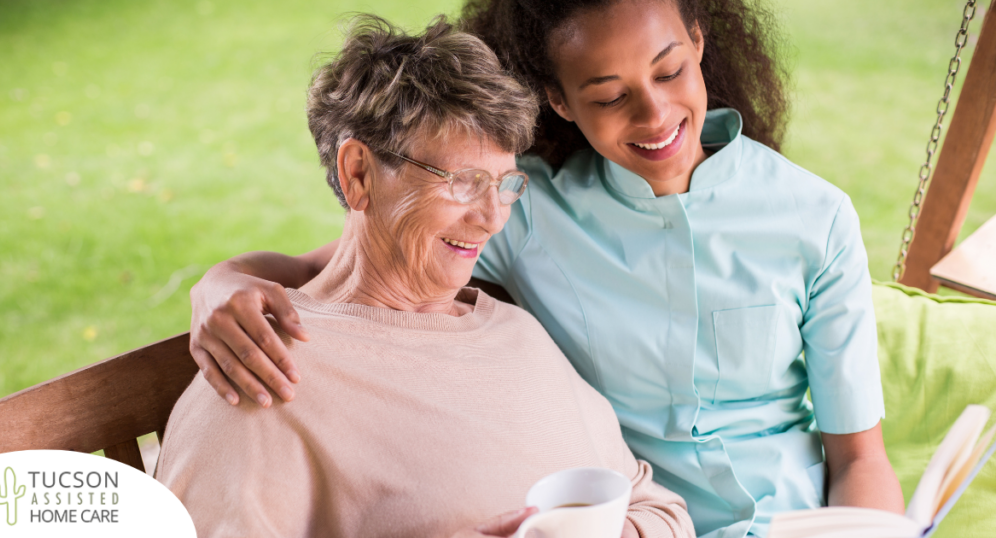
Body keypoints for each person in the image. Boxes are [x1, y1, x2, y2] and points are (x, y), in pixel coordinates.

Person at [185, 1, 906, 536]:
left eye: (671, 71)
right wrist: (219, 285)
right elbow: (346, 267)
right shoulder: (531, 213)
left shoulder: (814, 216)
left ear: (699, 44)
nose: (655, 115)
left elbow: (855, 457)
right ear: (562, 101)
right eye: (609, 95)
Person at [157, 15, 694, 538]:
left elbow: (658, 508)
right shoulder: (261, 375)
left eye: (506, 185)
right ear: (358, 174)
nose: (492, 218)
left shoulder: (516, 335)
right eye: (463, 181)